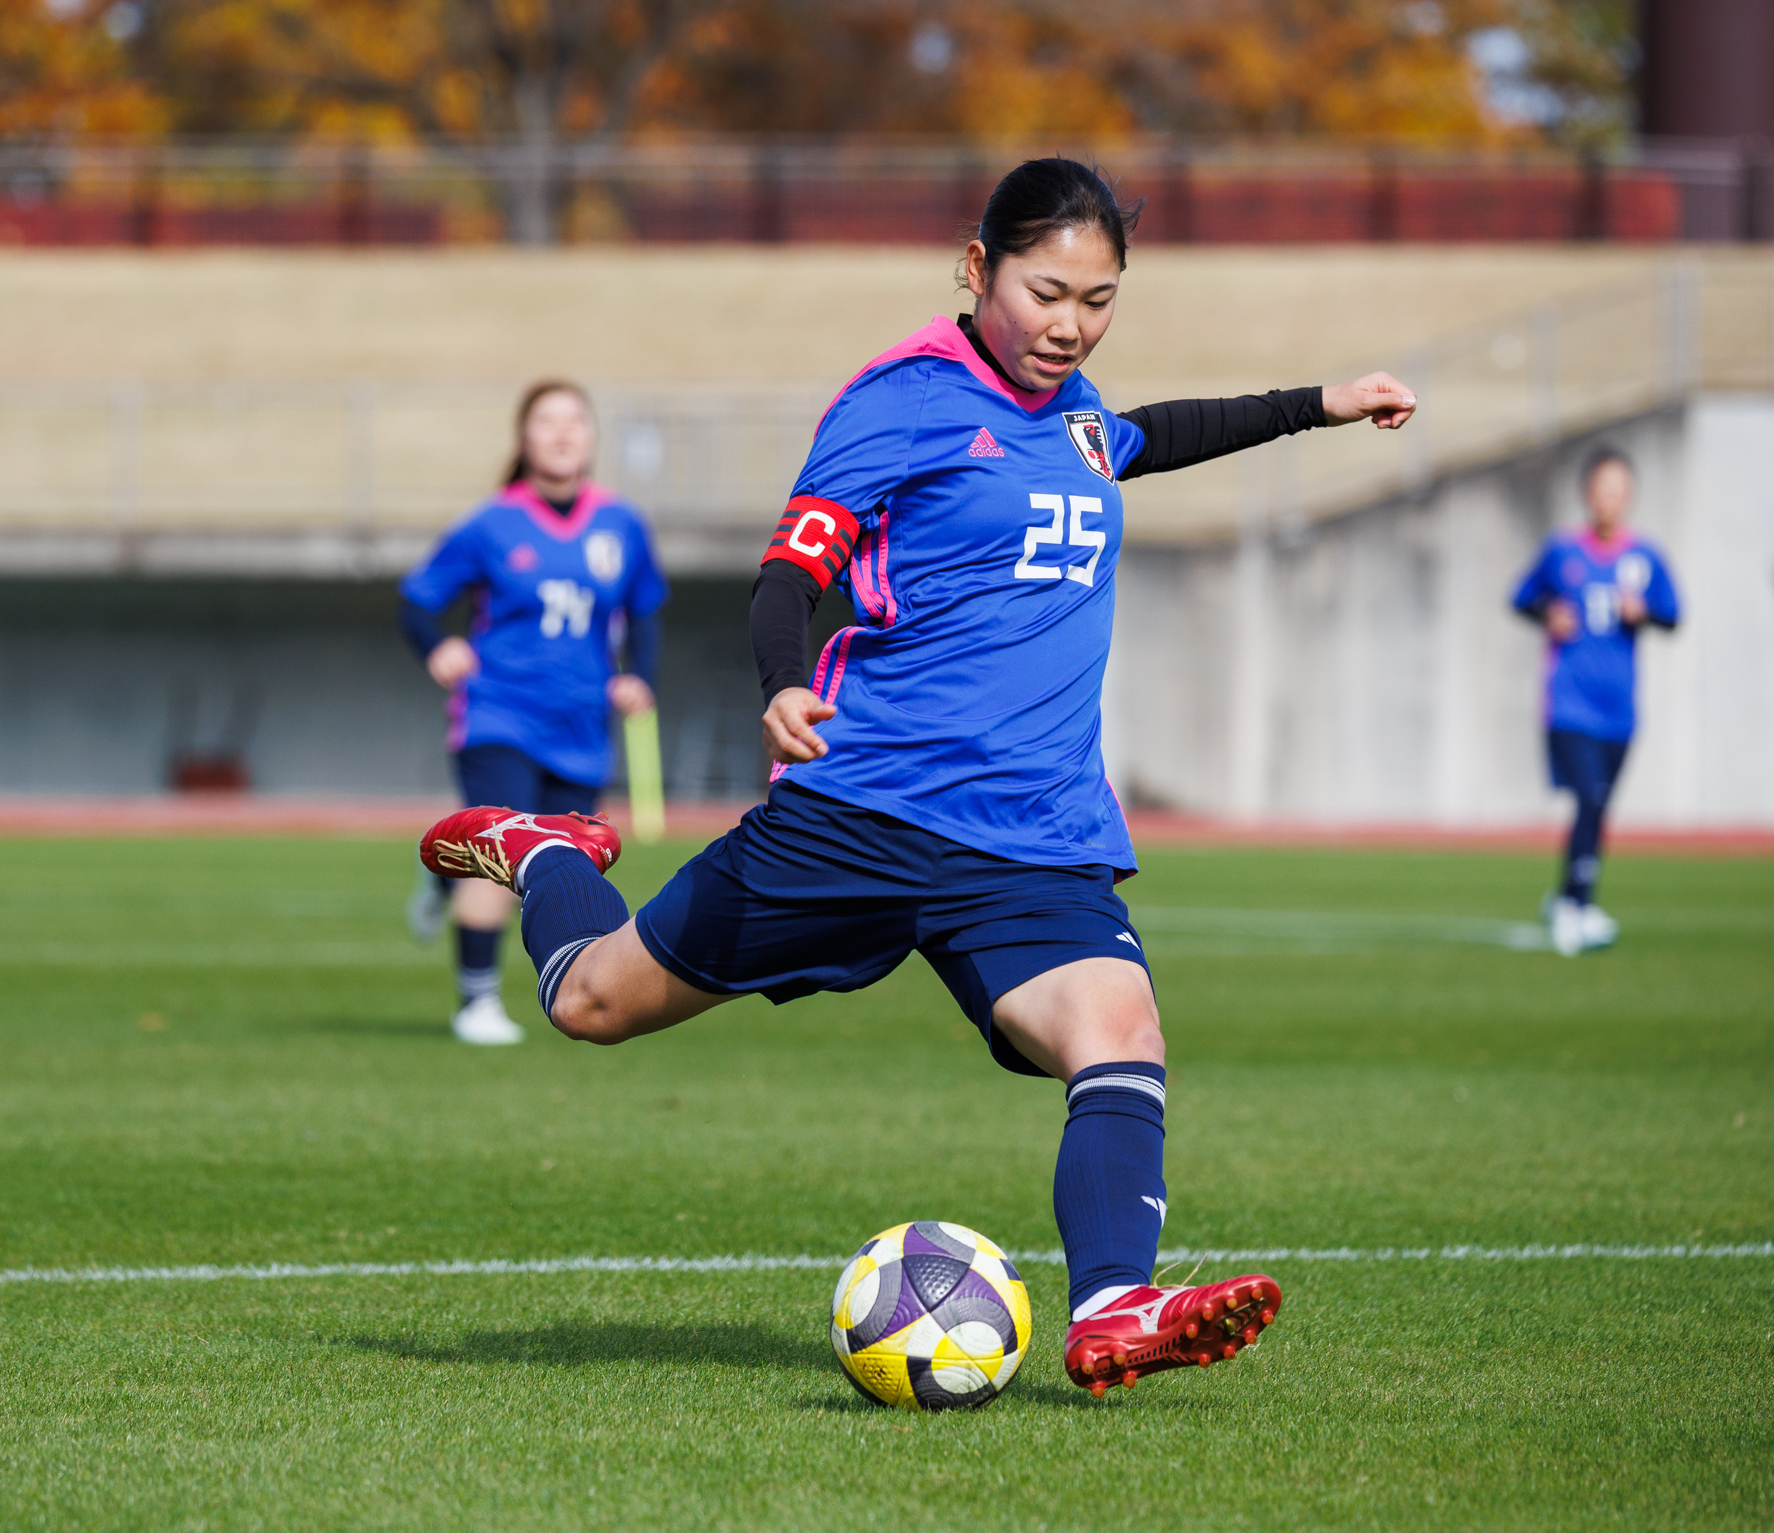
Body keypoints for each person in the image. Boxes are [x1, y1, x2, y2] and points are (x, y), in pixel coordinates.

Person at [417, 159, 1416, 1394]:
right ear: (977, 268)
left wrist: (1321, 402)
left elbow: (1158, 434)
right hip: (864, 809)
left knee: (1117, 1034)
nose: (1068, 324)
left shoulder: (1083, 413)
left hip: (1033, 832)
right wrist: (782, 682)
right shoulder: (901, 400)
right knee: (590, 1004)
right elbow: (792, 568)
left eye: (1098, 300)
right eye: (1046, 291)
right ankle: (548, 855)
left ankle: (1112, 1307)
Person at [398, 381, 667, 1044]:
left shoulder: (621, 523)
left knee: (567, 861)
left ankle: (444, 877)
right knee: (509, 844)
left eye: (576, 420)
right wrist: (440, 646)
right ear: (523, 438)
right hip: (499, 715)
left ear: (592, 436)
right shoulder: (491, 522)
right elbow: (417, 598)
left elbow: (647, 607)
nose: (563, 433)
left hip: (580, 724)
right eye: (547, 421)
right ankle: (476, 1003)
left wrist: (641, 678)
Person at [1510, 446, 1681, 958]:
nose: (1611, 501)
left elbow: (1673, 616)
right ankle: (1573, 908)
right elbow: (1521, 597)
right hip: (1569, 702)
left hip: (1619, 708)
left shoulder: (1644, 558)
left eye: (1620, 492)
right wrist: (1549, 615)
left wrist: (1643, 612)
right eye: (1603, 490)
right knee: (1588, 796)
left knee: (1598, 805)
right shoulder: (1563, 552)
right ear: (1589, 495)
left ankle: (1571, 896)